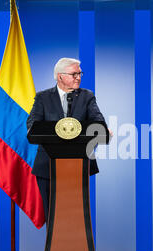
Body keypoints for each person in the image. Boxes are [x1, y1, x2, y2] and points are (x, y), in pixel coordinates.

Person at [27, 57, 106, 223]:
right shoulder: (42, 97)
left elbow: (98, 124)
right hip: (47, 167)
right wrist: (61, 130)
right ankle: (53, 249)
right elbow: (32, 125)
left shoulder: (87, 96)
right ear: (60, 76)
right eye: (74, 74)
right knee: (52, 217)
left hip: (79, 166)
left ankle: (77, 249)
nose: (79, 77)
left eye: (80, 73)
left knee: (75, 220)